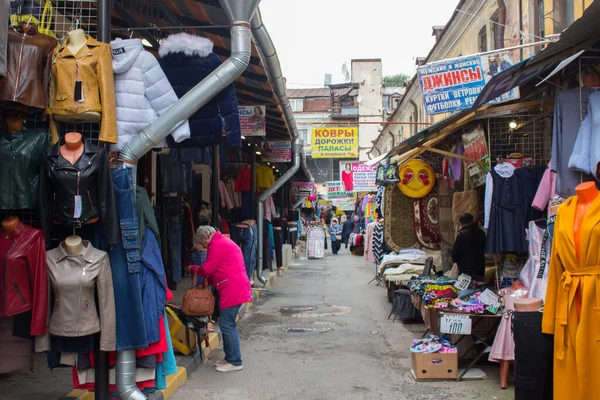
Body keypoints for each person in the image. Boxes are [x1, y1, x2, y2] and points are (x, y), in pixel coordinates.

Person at [189, 226, 252, 373]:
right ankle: (229, 357)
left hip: (232, 288)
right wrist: (207, 282)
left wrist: (193, 269)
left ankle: (235, 361)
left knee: (227, 324)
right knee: (226, 324)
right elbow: (217, 268)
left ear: (205, 237)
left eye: (202, 244)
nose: (204, 247)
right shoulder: (221, 242)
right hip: (234, 287)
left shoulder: (216, 244)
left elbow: (208, 269)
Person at [452, 213, 486, 279]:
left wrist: (455, 260)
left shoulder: (461, 235)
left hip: (466, 270)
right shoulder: (481, 233)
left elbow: (455, 253)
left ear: (461, 223)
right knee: (479, 286)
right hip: (479, 268)